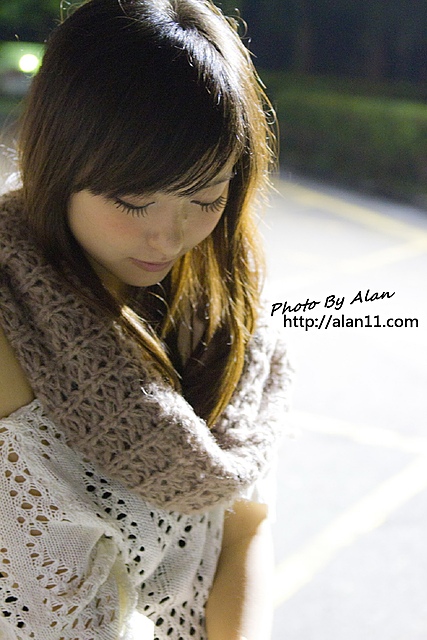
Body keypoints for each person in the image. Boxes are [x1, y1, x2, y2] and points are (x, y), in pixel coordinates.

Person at [0, 1, 292, 638]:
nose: (169, 236)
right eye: (133, 201)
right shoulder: (9, 319)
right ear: (56, 161)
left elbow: (246, 525)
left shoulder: (227, 303)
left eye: (205, 198)